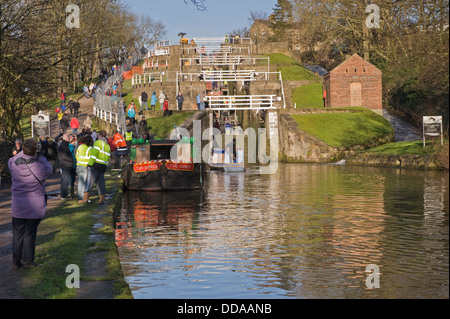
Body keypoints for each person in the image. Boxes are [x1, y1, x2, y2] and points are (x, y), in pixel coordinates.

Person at [8, 138, 53, 269]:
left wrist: (22, 153)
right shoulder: (39, 166)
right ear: (35, 151)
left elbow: (11, 160)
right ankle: (28, 260)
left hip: (18, 204)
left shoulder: (14, 163)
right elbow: (49, 169)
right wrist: (41, 158)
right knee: (30, 233)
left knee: (17, 233)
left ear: (23, 148)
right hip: (34, 205)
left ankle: (16, 260)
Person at [80, 131, 111, 205]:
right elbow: (108, 156)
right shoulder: (107, 145)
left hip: (96, 165)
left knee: (90, 182)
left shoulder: (98, 143)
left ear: (99, 135)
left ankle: (85, 198)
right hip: (103, 166)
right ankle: (102, 199)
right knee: (101, 182)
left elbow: (94, 154)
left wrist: (90, 164)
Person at [75, 135, 93, 201]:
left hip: (78, 166)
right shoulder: (89, 148)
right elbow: (91, 158)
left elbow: (76, 156)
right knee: (85, 183)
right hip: (85, 166)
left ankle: (80, 196)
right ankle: (83, 198)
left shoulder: (80, 147)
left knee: (80, 182)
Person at [57, 134, 74, 200]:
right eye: (68, 138)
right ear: (67, 139)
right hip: (66, 164)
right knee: (65, 180)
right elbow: (64, 156)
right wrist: (71, 160)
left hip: (65, 164)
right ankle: (64, 195)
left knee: (65, 179)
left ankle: (64, 193)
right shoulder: (64, 146)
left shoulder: (63, 145)